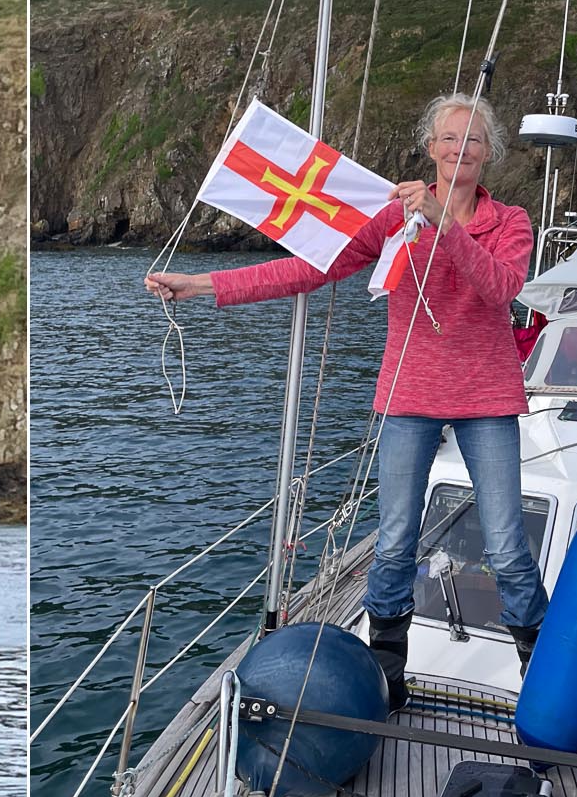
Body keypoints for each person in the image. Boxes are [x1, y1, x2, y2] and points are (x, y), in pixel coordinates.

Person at [144, 92, 542, 684]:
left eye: (474, 139)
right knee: (395, 539)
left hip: (488, 397)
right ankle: (387, 666)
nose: (460, 149)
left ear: (491, 154)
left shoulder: (508, 222)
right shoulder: (391, 219)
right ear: (430, 147)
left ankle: (542, 666)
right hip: (409, 394)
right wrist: (202, 285)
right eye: (449, 137)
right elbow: (308, 268)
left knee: (507, 545)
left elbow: (499, 288)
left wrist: (437, 224)